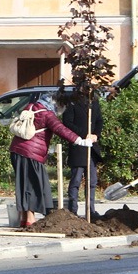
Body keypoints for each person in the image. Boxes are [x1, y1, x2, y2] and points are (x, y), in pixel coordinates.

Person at [9, 93, 95, 228]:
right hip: (31, 154)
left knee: (23, 184)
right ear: (57, 104)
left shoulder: (31, 106)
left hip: (16, 150)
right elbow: (61, 130)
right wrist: (81, 141)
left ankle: (24, 218)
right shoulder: (47, 114)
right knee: (33, 185)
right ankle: (30, 220)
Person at [60, 88, 103, 219]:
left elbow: (99, 120)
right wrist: (84, 134)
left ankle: (91, 210)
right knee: (76, 180)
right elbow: (67, 123)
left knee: (92, 181)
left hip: (91, 147)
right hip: (78, 146)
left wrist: (96, 134)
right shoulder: (72, 103)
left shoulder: (94, 102)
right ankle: (73, 211)